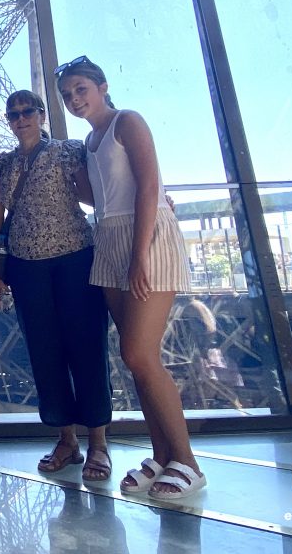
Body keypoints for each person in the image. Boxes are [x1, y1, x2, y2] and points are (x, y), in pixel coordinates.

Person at [57, 56, 205, 500]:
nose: (74, 100)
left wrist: (140, 254)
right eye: (67, 95)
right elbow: (97, 193)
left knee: (139, 354)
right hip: (110, 239)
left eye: (81, 89)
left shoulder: (128, 121)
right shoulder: (89, 140)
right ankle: (162, 456)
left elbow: (148, 185)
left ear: (102, 86)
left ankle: (188, 462)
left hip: (145, 237)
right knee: (134, 357)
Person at [0, 90, 112, 483]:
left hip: (74, 259)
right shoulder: (2, 165)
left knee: (87, 347)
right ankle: (66, 438)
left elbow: (94, 197)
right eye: (14, 113)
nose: (20, 118)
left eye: (27, 112)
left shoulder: (66, 151)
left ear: (40, 115)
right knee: (44, 352)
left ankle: (100, 443)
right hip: (26, 267)